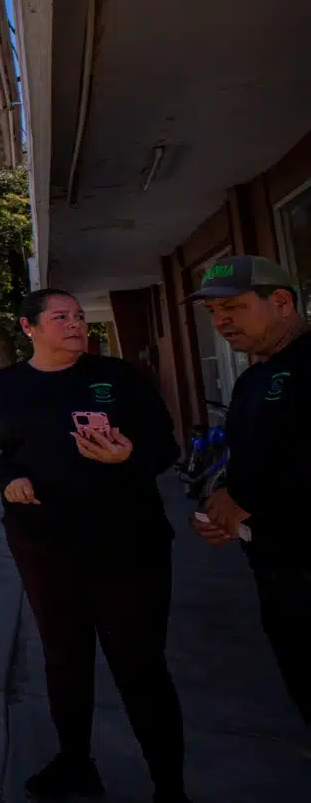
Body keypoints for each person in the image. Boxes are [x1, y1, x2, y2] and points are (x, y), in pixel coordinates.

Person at [0, 288, 188, 803]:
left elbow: (165, 446)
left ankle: (169, 787)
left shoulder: (120, 378)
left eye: (79, 317)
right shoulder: (5, 387)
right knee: (65, 657)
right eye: (60, 317)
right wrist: (6, 476)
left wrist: (128, 458)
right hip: (45, 546)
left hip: (129, 545)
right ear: (30, 327)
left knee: (140, 664)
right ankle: (74, 762)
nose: (75, 324)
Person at [189, 256, 311, 724]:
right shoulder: (253, 380)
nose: (221, 323)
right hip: (278, 571)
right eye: (213, 315)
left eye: (234, 308)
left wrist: (249, 502)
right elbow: (251, 460)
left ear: (280, 301)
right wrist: (225, 505)